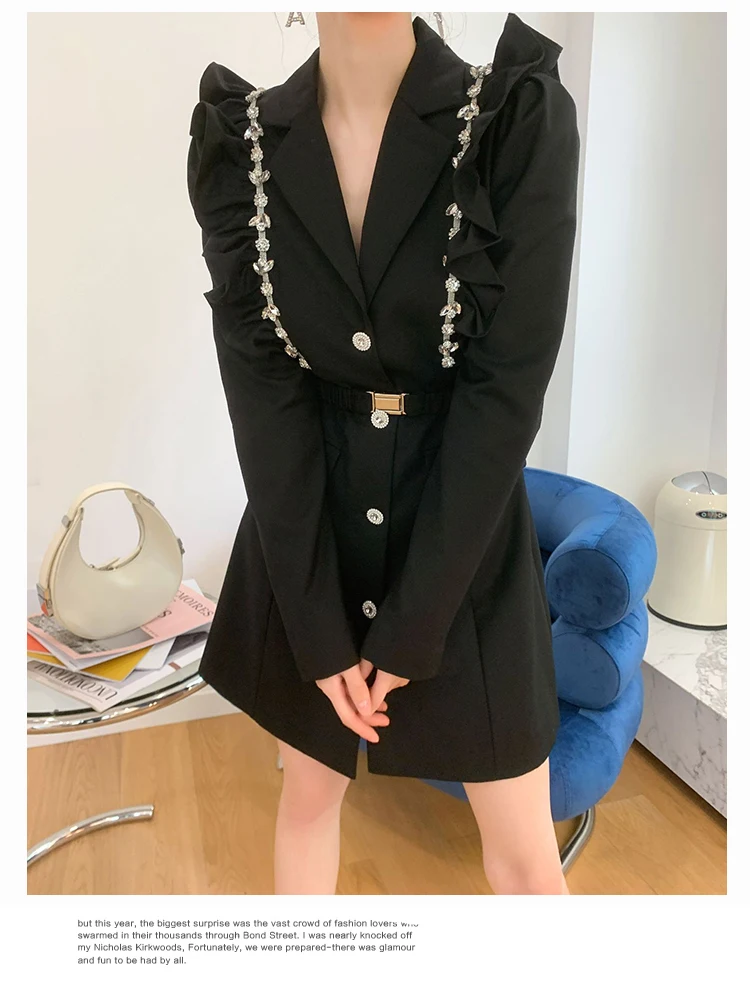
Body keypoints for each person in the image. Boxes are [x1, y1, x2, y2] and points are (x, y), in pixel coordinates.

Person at [187, 12, 579, 895]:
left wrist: (415, 622)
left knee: (526, 861)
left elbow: (507, 389)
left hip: (463, 544)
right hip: (309, 539)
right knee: (305, 806)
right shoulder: (240, 146)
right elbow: (264, 399)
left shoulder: (515, 120)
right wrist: (316, 628)